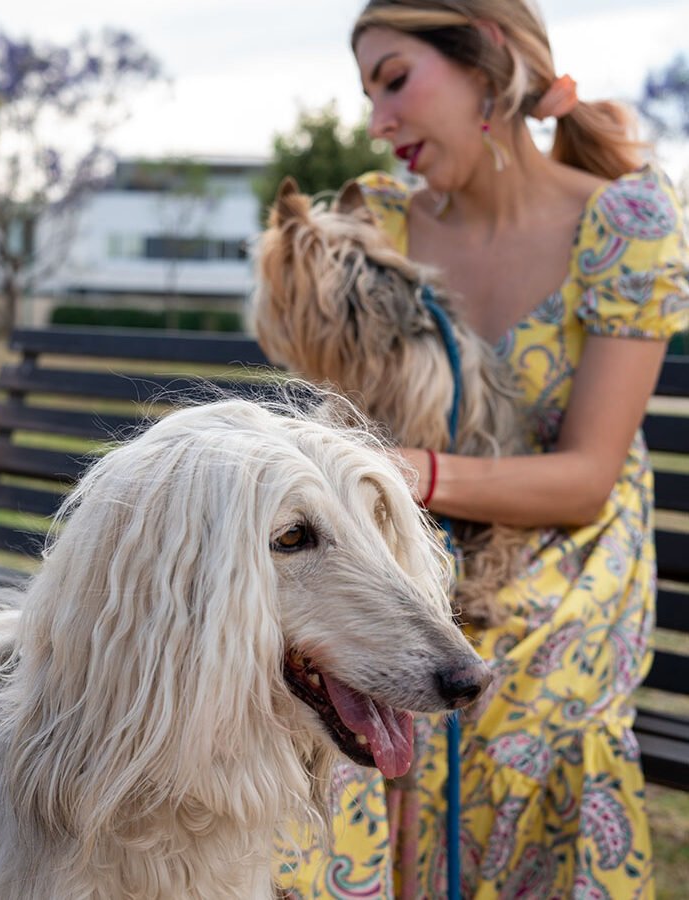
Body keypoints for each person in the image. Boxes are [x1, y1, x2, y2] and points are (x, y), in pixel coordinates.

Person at [277, 1, 689, 897]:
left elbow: (586, 478)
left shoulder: (624, 224)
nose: (378, 122)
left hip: (566, 558)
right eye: (367, 94)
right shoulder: (378, 220)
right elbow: (336, 412)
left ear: (486, 61)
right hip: (406, 544)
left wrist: (409, 476)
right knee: (324, 685)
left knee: (492, 697)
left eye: (395, 81)